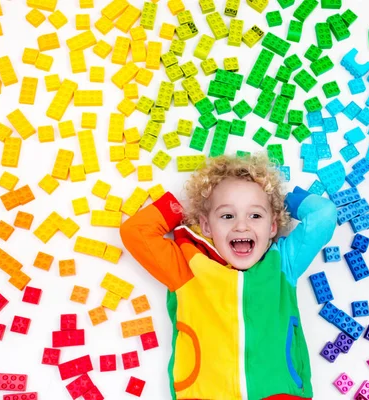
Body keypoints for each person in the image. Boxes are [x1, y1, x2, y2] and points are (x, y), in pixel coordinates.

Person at [120, 153, 337, 400]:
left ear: (273, 227)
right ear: (207, 227)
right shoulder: (187, 267)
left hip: (279, 394)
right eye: (227, 216)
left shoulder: (282, 264)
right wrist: (179, 210)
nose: (241, 226)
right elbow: (135, 232)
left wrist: (282, 202)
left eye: (256, 215)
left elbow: (324, 216)